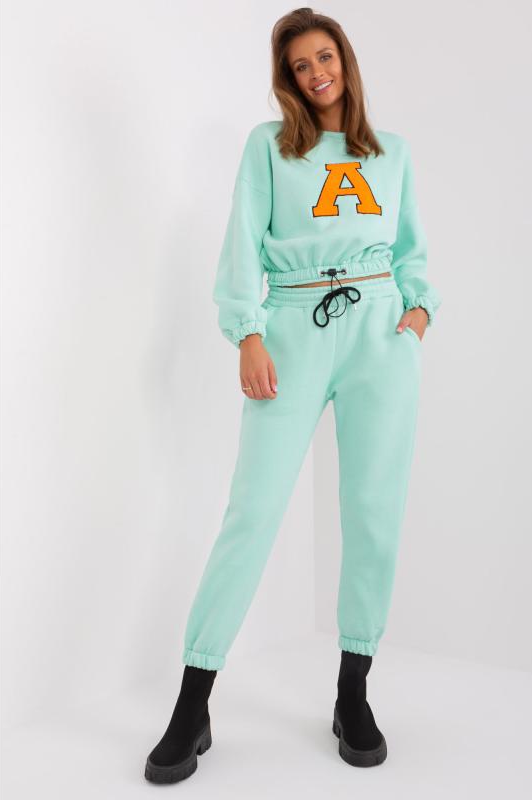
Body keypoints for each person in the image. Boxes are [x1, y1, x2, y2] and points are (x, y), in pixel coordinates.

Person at [145, 7, 441, 783]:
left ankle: (352, 692)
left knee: (373, 511)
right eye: (301, 65)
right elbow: (241, 240)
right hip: (291, 329)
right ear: (287, 78)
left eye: (325, 57)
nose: (316, 73)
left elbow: (412, 249)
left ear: (346, 59)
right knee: (253, 512)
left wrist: (416, 313)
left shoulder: (393, 152)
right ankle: (192, 705)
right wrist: (247, 332)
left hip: (380, 334)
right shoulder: (270, 146)